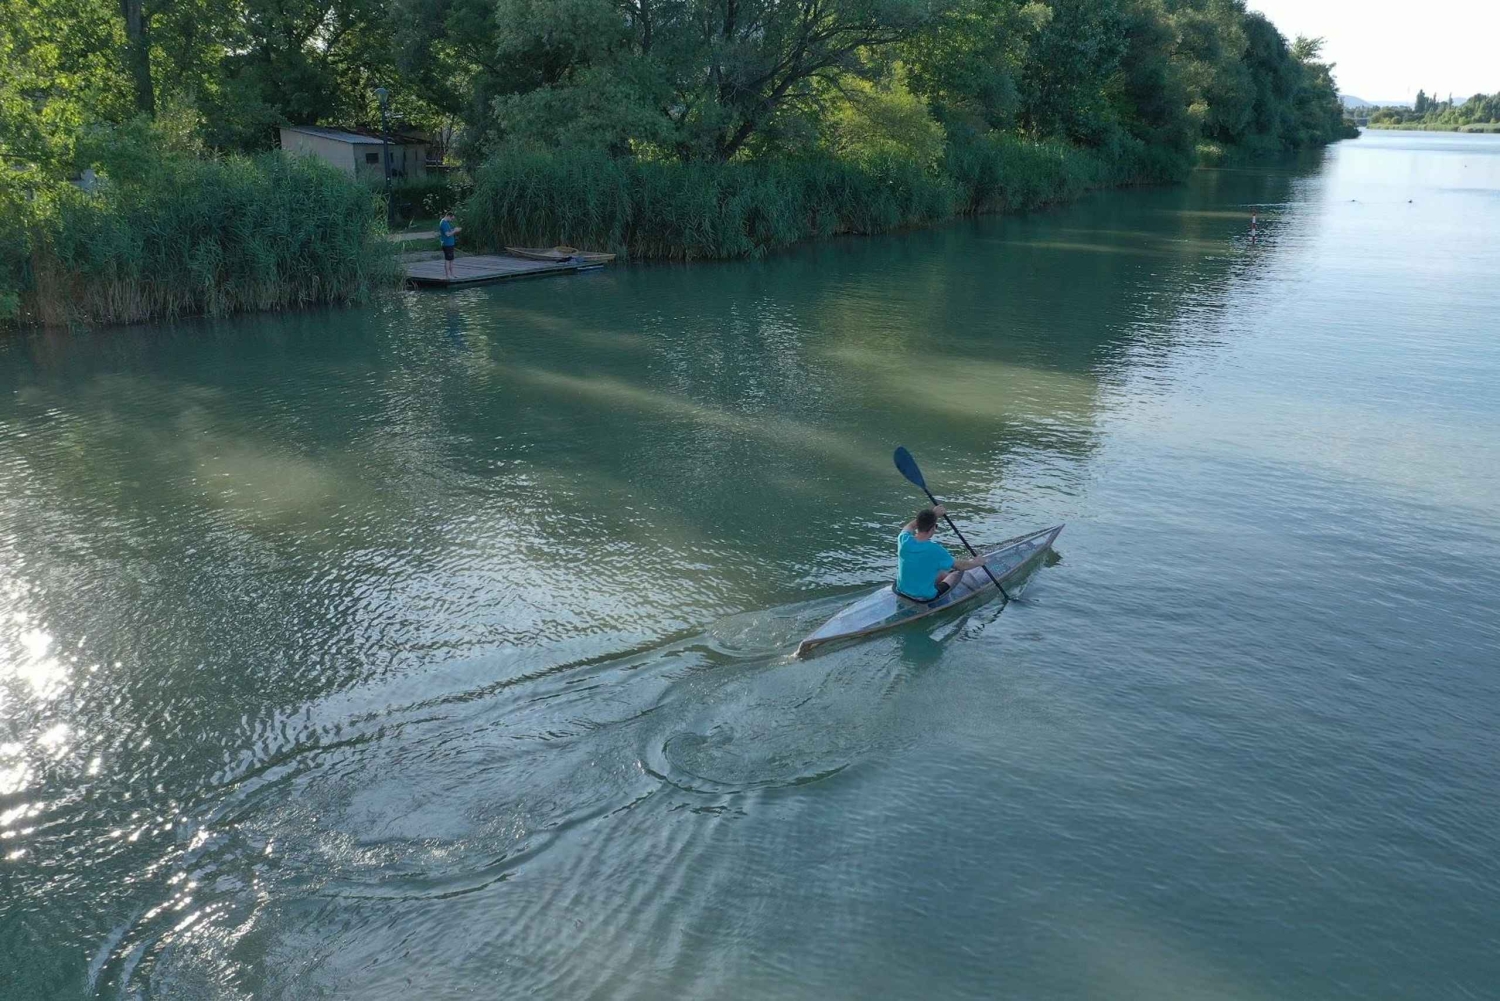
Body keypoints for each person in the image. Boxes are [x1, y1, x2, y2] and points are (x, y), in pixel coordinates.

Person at [895, 505, 986, 603]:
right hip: (923, 597)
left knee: (941, 572)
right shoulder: (935, 550)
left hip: (901, 590)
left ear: (919, 525)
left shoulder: (903, 539)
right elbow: (960, 565)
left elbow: (910, 526)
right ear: (933, 528)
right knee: (954, 574)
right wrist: (976, 563)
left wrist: (933, 514)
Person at [438, 211, 462, 279]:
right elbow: (447, 234)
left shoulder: (447, 223)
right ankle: (447, 275)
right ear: (448, 216)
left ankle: (452, 274)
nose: (451, 220)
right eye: (451, 219)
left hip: (450, 244)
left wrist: (455, 229)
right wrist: (455, 231)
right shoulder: (443, 223)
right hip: (447, 244)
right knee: (448, 260)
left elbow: (449, 231)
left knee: (451, 259)